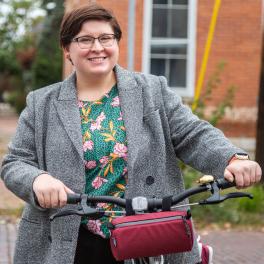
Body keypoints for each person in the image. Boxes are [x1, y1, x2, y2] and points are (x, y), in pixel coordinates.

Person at [0, 3, 262, 264]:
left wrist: (232, 158)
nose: (97, 47)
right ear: (67, 49)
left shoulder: (152, 90)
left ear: (117, 42)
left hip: (146, 235)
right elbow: (15, 162)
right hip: (68, 241)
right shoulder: (42, 103)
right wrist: (37, 180)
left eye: (106, 37)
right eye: (85, 39)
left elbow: (193, 134)